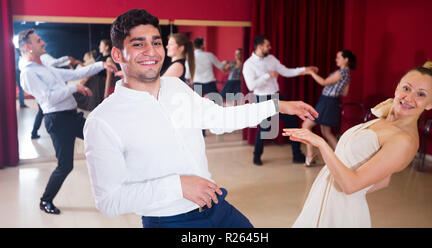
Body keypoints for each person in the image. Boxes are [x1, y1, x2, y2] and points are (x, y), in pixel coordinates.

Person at [83, 9, 318, 228]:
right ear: (116, 54)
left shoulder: (175, 87)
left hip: (216, 206)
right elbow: (109, 201)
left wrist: (276, 105)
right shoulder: (103, 120)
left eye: (156, 42)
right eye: (138, 44)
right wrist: (178, 186)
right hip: (169, 221)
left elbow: (220, 118)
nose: (152, 51)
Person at [284, 61, 432, 227]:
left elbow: (351, 185)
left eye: (421, 94)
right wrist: (332, 190)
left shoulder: (404, 141)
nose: (409, 97)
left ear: (431, 103)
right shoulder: (385, 121)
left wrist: (321, 144)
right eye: (407, 88)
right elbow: (383, 180)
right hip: (327, 199)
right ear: (397, 88)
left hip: (341, 214)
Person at [18, 28, 117, 215]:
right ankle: (45, 200)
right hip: (58, 121)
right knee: (65, 166)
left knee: (102, 142)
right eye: (39, 41)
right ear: (29, 47)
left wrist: (101, 65)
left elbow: (72, 75)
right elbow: (48, 99)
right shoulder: (28, 73)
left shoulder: (44, 67)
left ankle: (114, 185)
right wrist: (74, 89)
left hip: (71, 116)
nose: (43, 43)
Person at [242, 35, 319, 166]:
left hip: (277, 97)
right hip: (262, 99)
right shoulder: (248, 64)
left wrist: (305, 70)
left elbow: (286, 71)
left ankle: (297, 155)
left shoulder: (271, 59)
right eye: (267, 45)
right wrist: (267, 75)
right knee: (264, 129)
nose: (270, 48)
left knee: (293, 122)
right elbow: (251, 86)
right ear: (259, 47)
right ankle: (257, 155)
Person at [301, 50, 356, 166]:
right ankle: (342, 158)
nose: (336, 59)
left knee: (306, 125)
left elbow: (324, 82)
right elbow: (344, 93)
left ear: (346, 59)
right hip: (331, 102)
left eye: (338, 57)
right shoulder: (347, 74)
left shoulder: (341, 73)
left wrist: (311, 73)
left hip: (327, 102)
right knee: (326, 132)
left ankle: (310, 156)